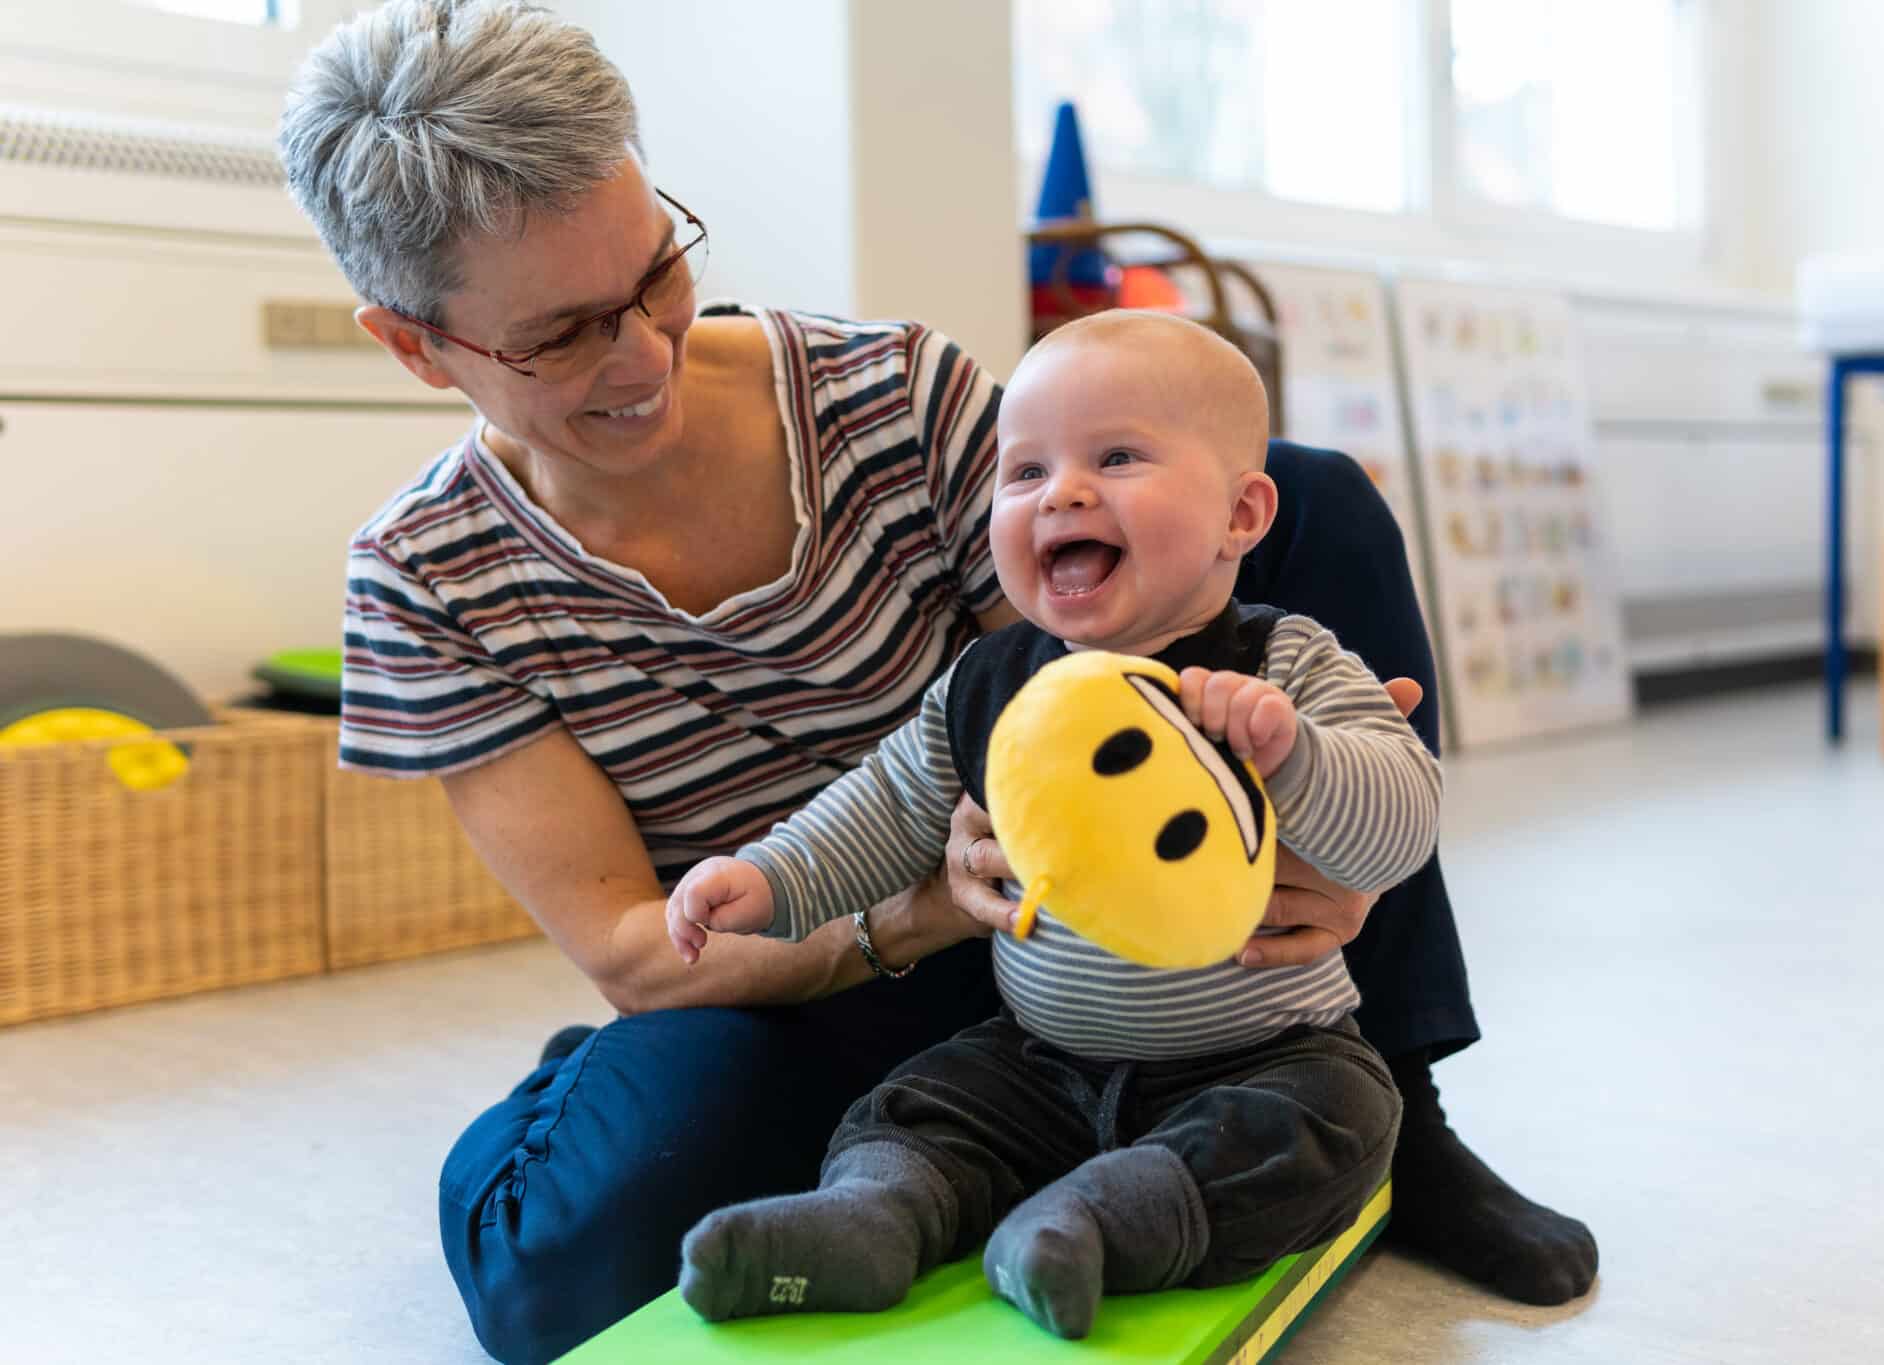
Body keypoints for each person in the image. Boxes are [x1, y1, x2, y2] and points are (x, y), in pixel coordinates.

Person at [278, 3, 1596, 1361]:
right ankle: (844, 1172)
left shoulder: (890, 393)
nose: (644, 352)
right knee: (561, 1278)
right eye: (562, 335)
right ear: (417, 345)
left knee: (1289, 497)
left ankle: (1404, 1109)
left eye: (657, 270)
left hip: (1064, 938)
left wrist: (1316, 840)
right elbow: (634, 945)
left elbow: (1091, 663)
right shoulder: (424, 576)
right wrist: (917, 908)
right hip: (804, 970)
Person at [666, 310, 1440, 1338]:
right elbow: (885, 802)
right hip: (1038, 1059)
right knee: (916, 1102)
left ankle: (1098, 1223)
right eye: (1024, 471)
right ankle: (869, 1217)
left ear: (1240, 514)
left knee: (1344, 1121)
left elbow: (1403, 822)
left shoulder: (1283, 664)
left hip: (1260, 1056)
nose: (1061, 492)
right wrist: (769, 878)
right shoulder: (990, 685)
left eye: (1116, 458)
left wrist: (1296, 754)